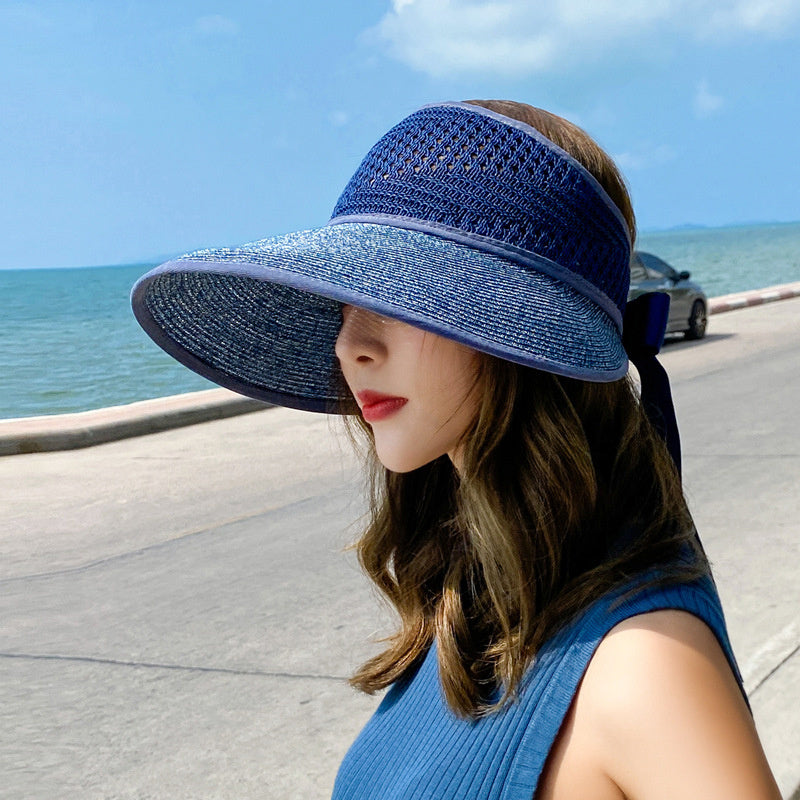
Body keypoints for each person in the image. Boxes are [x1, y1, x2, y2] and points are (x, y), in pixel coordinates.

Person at [132, 100, 780, 799]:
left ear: (524, 331)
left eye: (404, 300)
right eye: (347, 302)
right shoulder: (475, 593)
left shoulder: (641, 667)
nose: (353, 345)